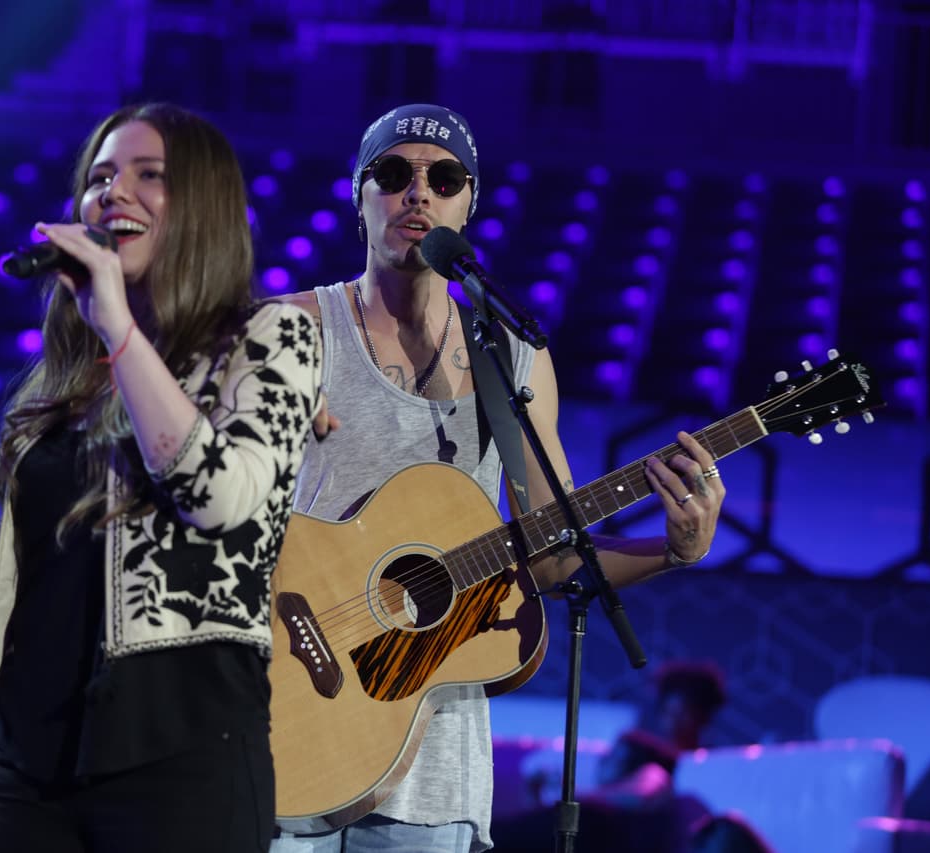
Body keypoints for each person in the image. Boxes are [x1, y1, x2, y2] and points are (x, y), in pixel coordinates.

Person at [270, 103, 727, 853]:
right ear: (359, 193)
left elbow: (552, 554)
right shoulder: (294, 329)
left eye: (443, 178)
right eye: (393, 173)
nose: (418, 193)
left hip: (433, 772)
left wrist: (676, 550)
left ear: (468, 202)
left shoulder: (512, 358)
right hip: (287, 721)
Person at [0, 102, 322, 853]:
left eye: (150, 176)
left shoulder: (270, 339)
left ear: (202, 205)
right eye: (100, 177)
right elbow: (47, 593)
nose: (114, 193)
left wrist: (119, 325)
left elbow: (217, 498)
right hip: (30, 762)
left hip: (180, 748)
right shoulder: (69, 376)